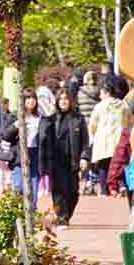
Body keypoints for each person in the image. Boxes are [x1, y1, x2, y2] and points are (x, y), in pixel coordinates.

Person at [39, 90, 90, 227]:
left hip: (72, 160)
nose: (63, 101)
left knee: (73, 192)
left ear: (70, 101)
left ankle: (66, 214)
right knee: (59, 190)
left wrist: (84, 157)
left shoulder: (78, 119)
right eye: (60, 99)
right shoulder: (51, 119)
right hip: (55, 161)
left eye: (66, 99)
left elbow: (85, 141)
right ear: (57, 101)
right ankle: (62, 217)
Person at [88, 73, 131, 196]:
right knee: (118, 165)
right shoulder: (123, 106)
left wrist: (92, 135)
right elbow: (128, 122)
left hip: (103, 141)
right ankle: (120, 187)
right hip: (118, 140)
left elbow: (92, 124)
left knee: (103, 166)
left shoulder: (99, 106)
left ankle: (104, 190)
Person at [3, 89, 41, 209]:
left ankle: (32, 213)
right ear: (23, 101)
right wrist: (15, 126)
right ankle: (18, 212)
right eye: (28, 98)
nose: (31, 101)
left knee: (33, 186)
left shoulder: (40, 117)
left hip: (35, 153)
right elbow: (5, 135)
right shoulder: (15, 115)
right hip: (19, 153)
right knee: (18, 185)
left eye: (33, 98)